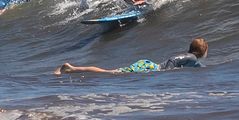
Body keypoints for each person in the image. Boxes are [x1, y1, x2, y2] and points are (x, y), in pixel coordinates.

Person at [56, 39, 208, 74]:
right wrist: (165, 73)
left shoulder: (195, 61)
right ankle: (70, 69)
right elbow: (173, 60)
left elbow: (200, 67)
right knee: (110, 73)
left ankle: (70, 69)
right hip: (150, 67)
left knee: (112, 72)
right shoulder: (192, 58)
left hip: (148, 65)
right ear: (202, 52)